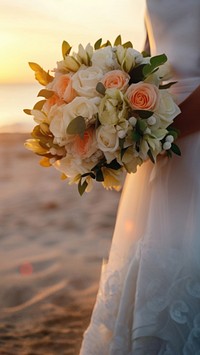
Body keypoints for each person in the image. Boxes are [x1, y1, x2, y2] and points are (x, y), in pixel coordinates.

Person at [79, 0, 200, 353]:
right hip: (157, 132)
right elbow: (150, 55)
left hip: (182, 130)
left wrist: (168, 128)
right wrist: (112, 113)